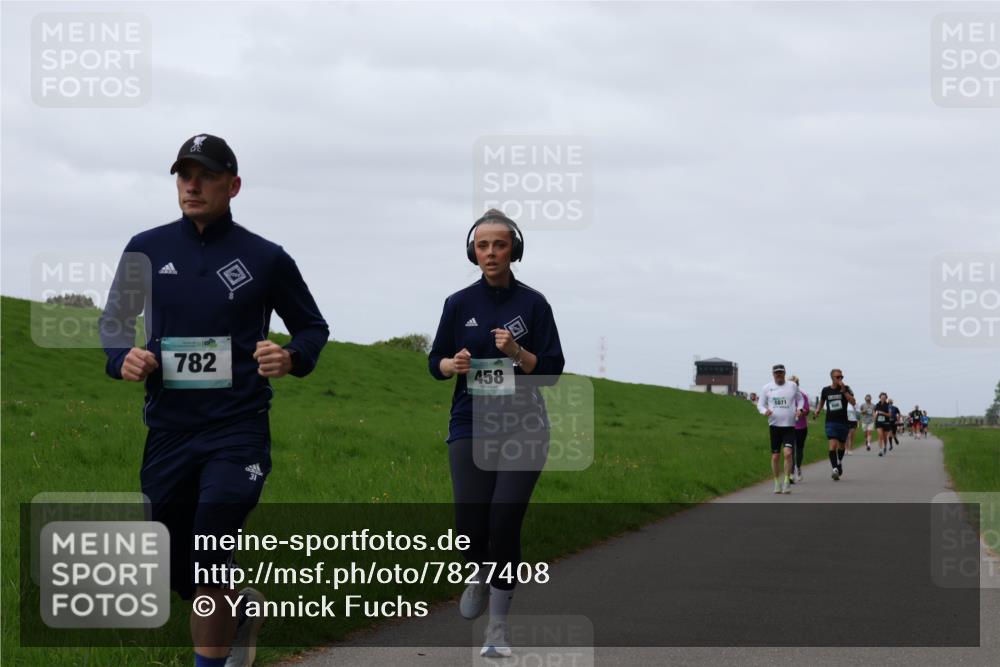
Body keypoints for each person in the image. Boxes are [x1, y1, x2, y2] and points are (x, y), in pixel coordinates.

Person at [99, 134, 330, 667]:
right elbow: (113, 321)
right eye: (184, 175)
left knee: (210, 546)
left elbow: (312, 327)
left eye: (204, 175)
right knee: (177, 563)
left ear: (234, 184)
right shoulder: (146, 248)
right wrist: (121, 357)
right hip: (169, 430)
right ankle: (237, 611)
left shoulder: (265, 258)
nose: (192, 185)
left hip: (237, 428)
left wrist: (291, 356)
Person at [428, 210, 565, 658]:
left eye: (499, 245)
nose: (490, 253)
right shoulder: (458, 303)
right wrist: (453, 365)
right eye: (483, 245)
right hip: (470, 422)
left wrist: (518, 352)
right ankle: (480, 571)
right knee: (469, 528)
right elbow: (436, 363)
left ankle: (498, 629)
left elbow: (551, 372)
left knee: (504, 522)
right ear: (473, 250)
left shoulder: (535, 304)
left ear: (514, 250)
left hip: (525, 425)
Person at [812, 369, 855, 480]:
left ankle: (839, 462)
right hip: (830, 422)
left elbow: (853, 402)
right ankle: (835, 468)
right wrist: (817, 410)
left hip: (843, 422)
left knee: (841, 446)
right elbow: (821, 402)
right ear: (832, 377)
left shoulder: (847, 388)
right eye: (837, 377)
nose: (840, 379)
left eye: (841, 377)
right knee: (833, 445)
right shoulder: (826, 390)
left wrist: (844, 390)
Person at [789, 375, 809, 483]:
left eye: (794, 384)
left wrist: (801, 412)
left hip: (801, 427)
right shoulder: (786, 396)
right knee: (790, 451)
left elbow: (807, 410)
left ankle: (798, 467)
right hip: (789, 426)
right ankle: (791, 474)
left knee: (799, 450)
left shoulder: (803, 395)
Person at [874, 392, 892, 456]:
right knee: (880, 435)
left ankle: (885, 446)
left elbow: (890, 415)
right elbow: (875, 412)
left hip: (886, 423)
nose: (883, 398)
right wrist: (874, 418)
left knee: (884, 437)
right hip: (878, 422)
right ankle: (880, 450)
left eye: (884, 397)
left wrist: (882, 413)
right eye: (882, 397)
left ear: (886, 398)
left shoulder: (888, 405)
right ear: (880, 397)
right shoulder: (877, 405)